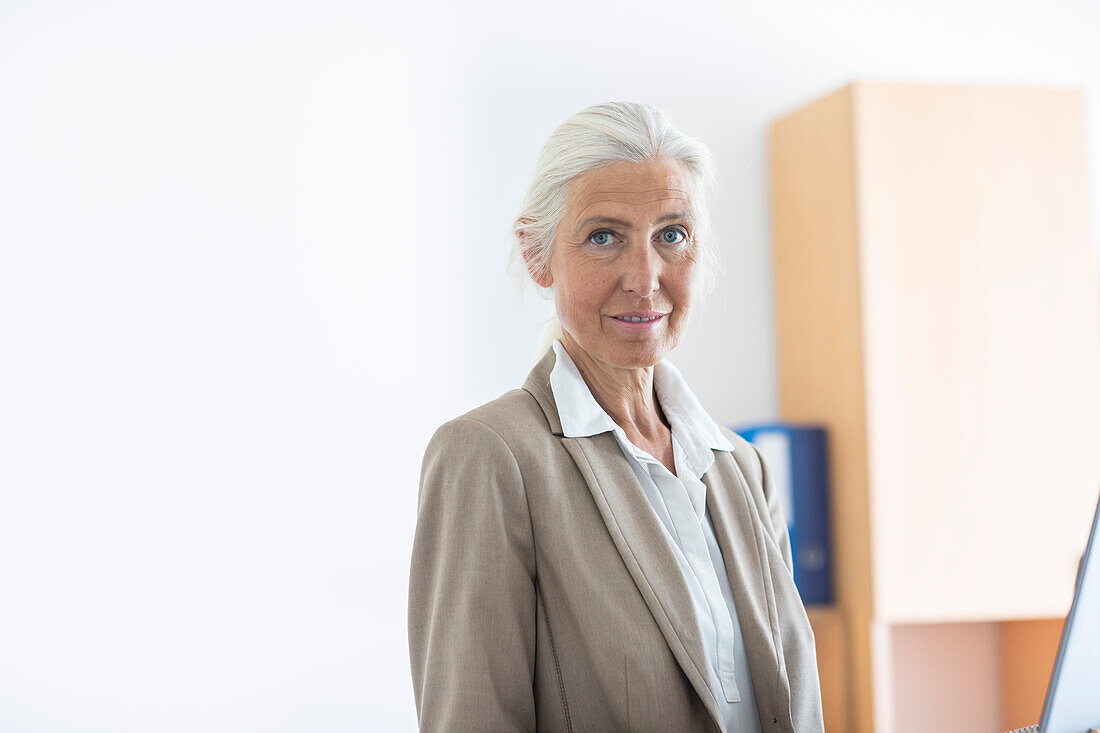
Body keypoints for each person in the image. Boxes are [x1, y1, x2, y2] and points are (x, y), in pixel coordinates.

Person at [407, 101, 825, 732]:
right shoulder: (491, 456)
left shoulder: (743, 469)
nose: (644, 277)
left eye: (672, 235)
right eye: (604, 237)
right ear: (537, 255)